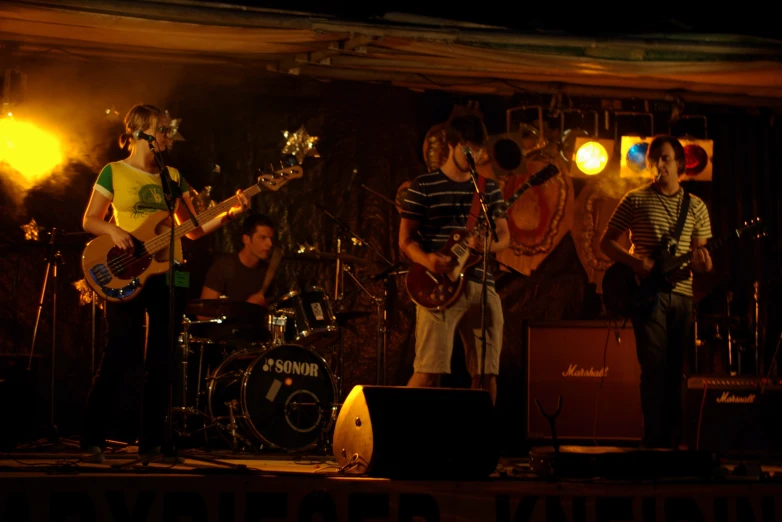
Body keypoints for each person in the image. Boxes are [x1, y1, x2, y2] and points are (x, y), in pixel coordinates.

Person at [81, 104, 250, 462]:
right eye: (162, 130)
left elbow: (195, 229)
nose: (168, 137)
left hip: (169, 272)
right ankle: (93, 437)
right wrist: (114, 229)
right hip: (126, 269)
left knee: (163, 358)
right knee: (119, 352)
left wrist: (230, 211)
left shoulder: (172, 177)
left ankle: (153, 442)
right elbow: (90, 220)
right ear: (141, 132)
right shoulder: (114, 172)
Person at [600, 135, 713, 449]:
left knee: (677, 370)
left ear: (680, 164)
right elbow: (605, 243)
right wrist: (636, 263)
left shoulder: (697, 206)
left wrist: (704, 264)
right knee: (653, 369)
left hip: (683, 296)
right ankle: (653, 442)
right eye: (654, 159)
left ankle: (676, 443)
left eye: (665, 158)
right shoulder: (635, 199)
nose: (659, 165)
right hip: (649, 295)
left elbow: (701, 257)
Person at [399, 113, 510, 405]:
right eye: (467, 149)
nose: (473, 155)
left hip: (480, 285)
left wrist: (484, 245)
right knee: (428, 372)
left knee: (487, 374)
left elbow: (504, 237)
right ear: (451, 144)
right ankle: (398, 432)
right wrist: (428, 260)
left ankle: (480, 442)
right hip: (438, 286)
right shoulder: (423, 186)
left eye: (477, 149)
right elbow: (405, 240)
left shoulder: (487, 189)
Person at [200, 213, 281, 306]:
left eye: (271, 238)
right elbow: (203, 315)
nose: (270, 244)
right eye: (263, 238)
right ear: (246, 239)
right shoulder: (223, 268)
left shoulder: (265, 272)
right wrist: (245, 308)